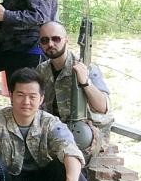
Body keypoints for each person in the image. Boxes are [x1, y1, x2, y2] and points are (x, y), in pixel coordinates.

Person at [35, 21, 113, 160]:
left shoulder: (86, 67)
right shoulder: (42, 70)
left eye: (56, 39)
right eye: (45, 40)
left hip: (85, 133)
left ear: (66, 40)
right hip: (56, 129)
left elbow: (103, 107)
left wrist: (85, 82)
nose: (50, 44)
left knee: (78, 138)